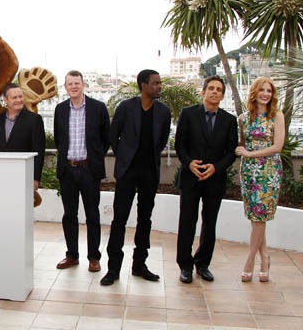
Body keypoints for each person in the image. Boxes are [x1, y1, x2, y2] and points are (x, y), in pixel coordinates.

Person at [101, 70, 171, 285]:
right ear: (143, 85)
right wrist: (124, 156)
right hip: (127, 171)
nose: (159, 86)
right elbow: (113, 135)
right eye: (155, 83)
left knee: (145, 220)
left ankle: (139, 265)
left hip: (150, 171)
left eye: (160, 83)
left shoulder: (164, 111)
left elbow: (162, 140)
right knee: (119, 219)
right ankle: (113, 269)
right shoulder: (126, 107)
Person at [175, 75, 238, 283]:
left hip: (214, 180)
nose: (214, 92)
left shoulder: (229, 121)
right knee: (187, 222)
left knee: (209, 224)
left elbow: (231, 152)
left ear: (222, 95)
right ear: (203, 91)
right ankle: (185, 266)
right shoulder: (188, 114)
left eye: (218, 89)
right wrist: (189, 163)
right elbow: (179, 145)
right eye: (210, 88)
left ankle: (203, 264)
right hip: (190, 178)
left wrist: (216, 168)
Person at [53, 70, 110, 272]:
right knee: (69, 215)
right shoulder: (60, 109)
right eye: (70, 84)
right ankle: (72, 255)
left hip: (89, 170)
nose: (74, 87)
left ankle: (94, 257)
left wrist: (93, 158)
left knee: (92, 215)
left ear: (83, 85)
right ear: (66, 87)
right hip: (67, 170)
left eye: (77, 83)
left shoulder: (98, 108)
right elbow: (60, 139)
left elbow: (105, 139)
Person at [235, 77, 284, 283]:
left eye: (269, 91)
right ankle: (265, 258)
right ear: (254, 92)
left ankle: (250, 261)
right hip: (249, 172)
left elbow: (277, 146)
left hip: (269, 171)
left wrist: (249, 154)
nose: (266, 94)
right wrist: (242, 152)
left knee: (259, 216)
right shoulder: (243, 118)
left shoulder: (277, 116)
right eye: (262, 90)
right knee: (256, 217)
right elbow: (241, 145)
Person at [0, 83, 46, 194]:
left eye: (20, 96)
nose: (19, 100)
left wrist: (35, 178)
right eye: (14, 97)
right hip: (0, 175)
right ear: (5, 99)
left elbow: (39, 152)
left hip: (24, 175)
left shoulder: (34, 120)